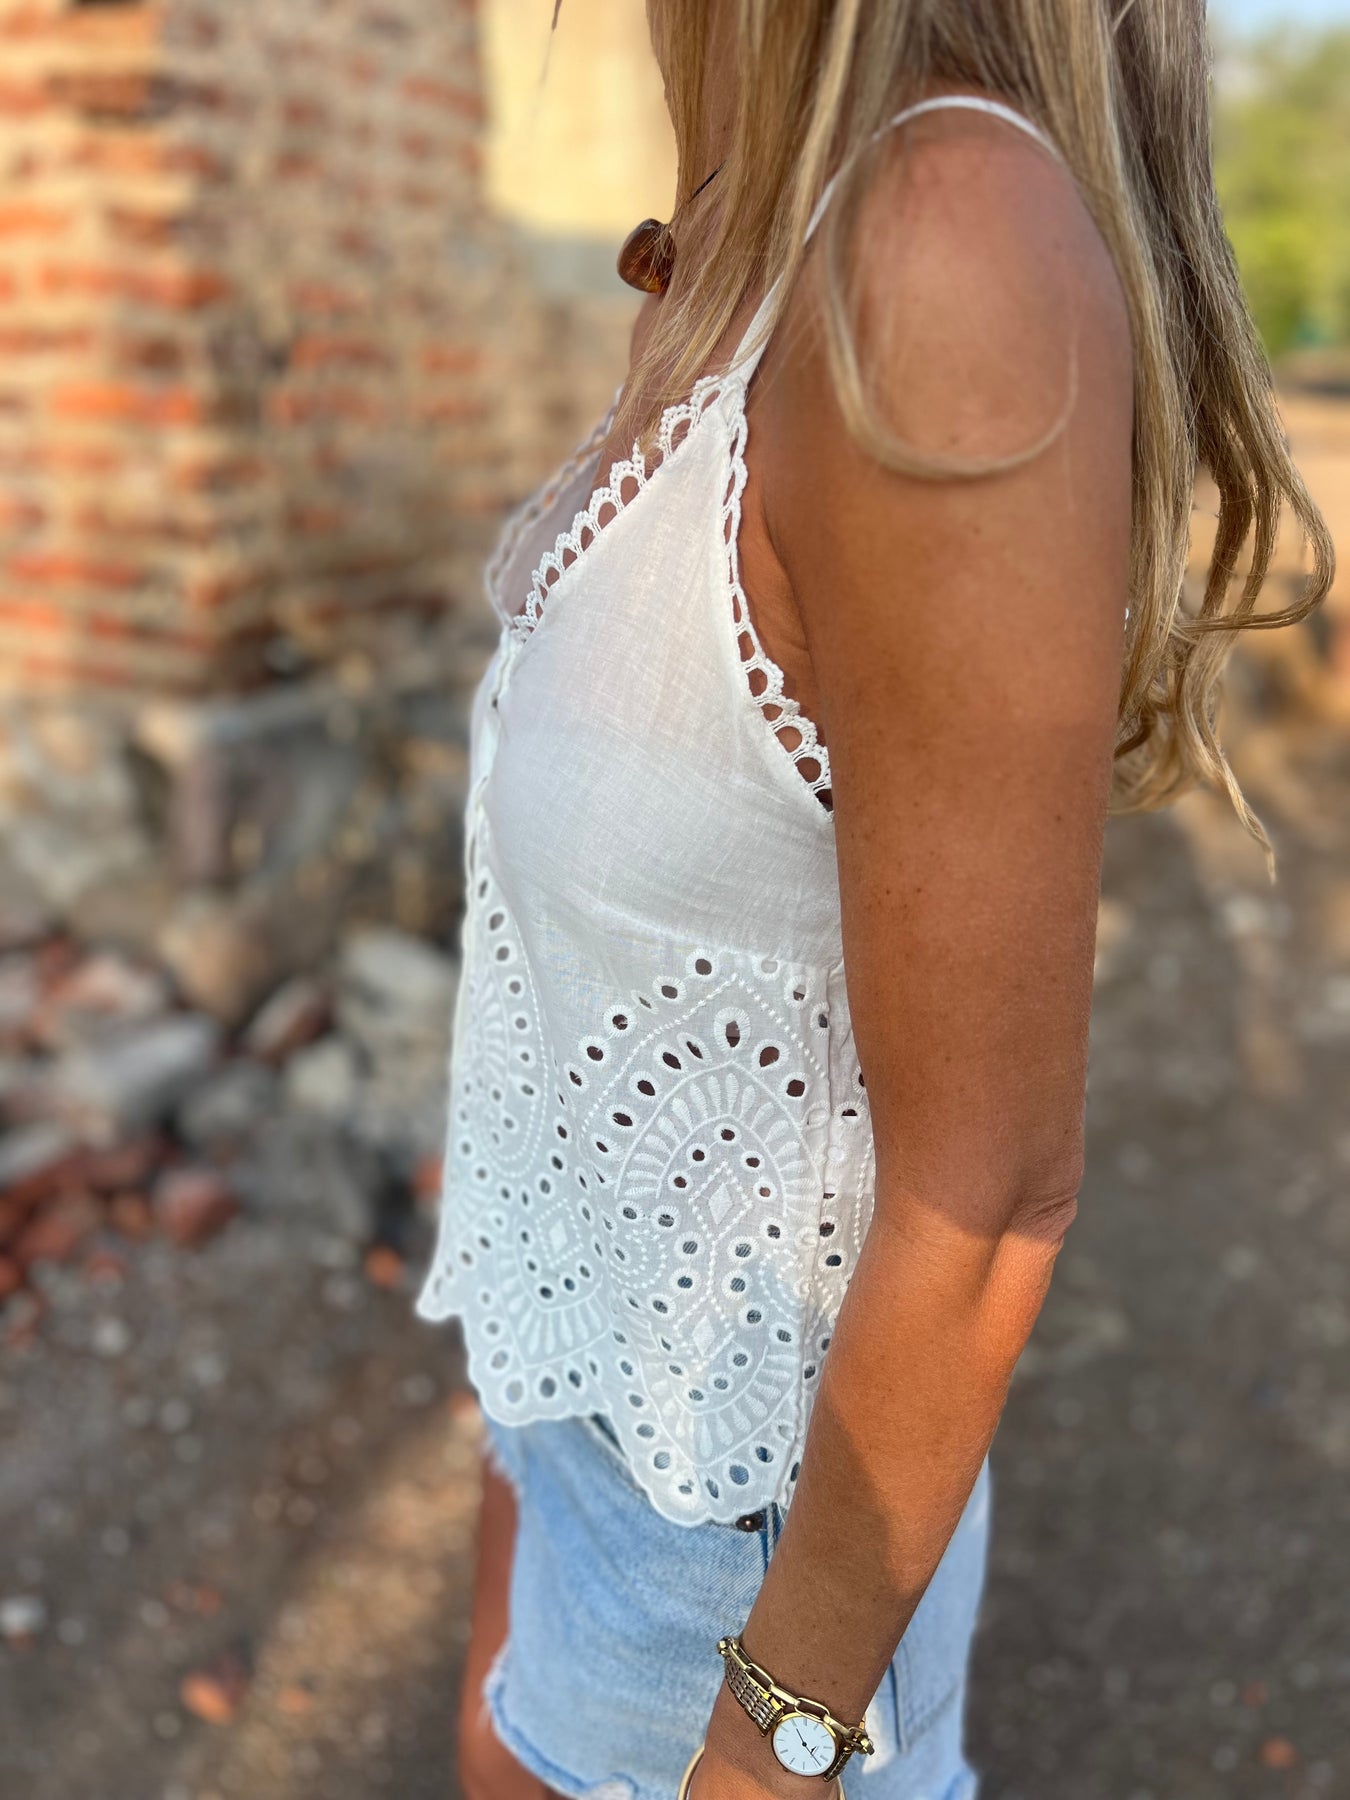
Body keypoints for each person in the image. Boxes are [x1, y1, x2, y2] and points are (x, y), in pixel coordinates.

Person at [419, 5, 1333, 1799]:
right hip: (574, 1444)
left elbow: (982, 1206)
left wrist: (770, 1749)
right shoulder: (737, 236)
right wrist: (514, 1469)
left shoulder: (938, 241)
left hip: (735, 1591)